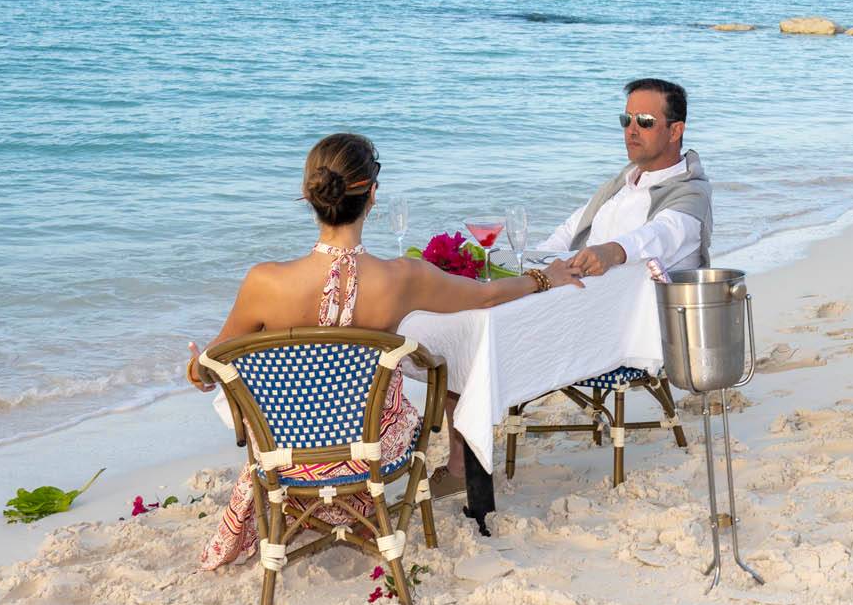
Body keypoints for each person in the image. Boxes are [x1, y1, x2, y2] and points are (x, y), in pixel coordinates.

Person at [191, 132, 582, 570]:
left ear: (308, 195)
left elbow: (213, 362)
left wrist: (196, 368)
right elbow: (486, 296)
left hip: (285, 451)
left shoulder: (263, 282)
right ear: (372, 195)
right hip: (371, 444)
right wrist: (547, 278)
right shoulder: (403, 278)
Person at [543, 77, 712, 277]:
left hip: (639, 304)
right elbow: (571, 230)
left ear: (675, 131)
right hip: (584, 289)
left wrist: (611, 251)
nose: (631, 131)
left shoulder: (691, 195)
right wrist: (530, 262)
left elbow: (660, 236)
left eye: (644, 121)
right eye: (626, 120)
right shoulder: (622, 183)